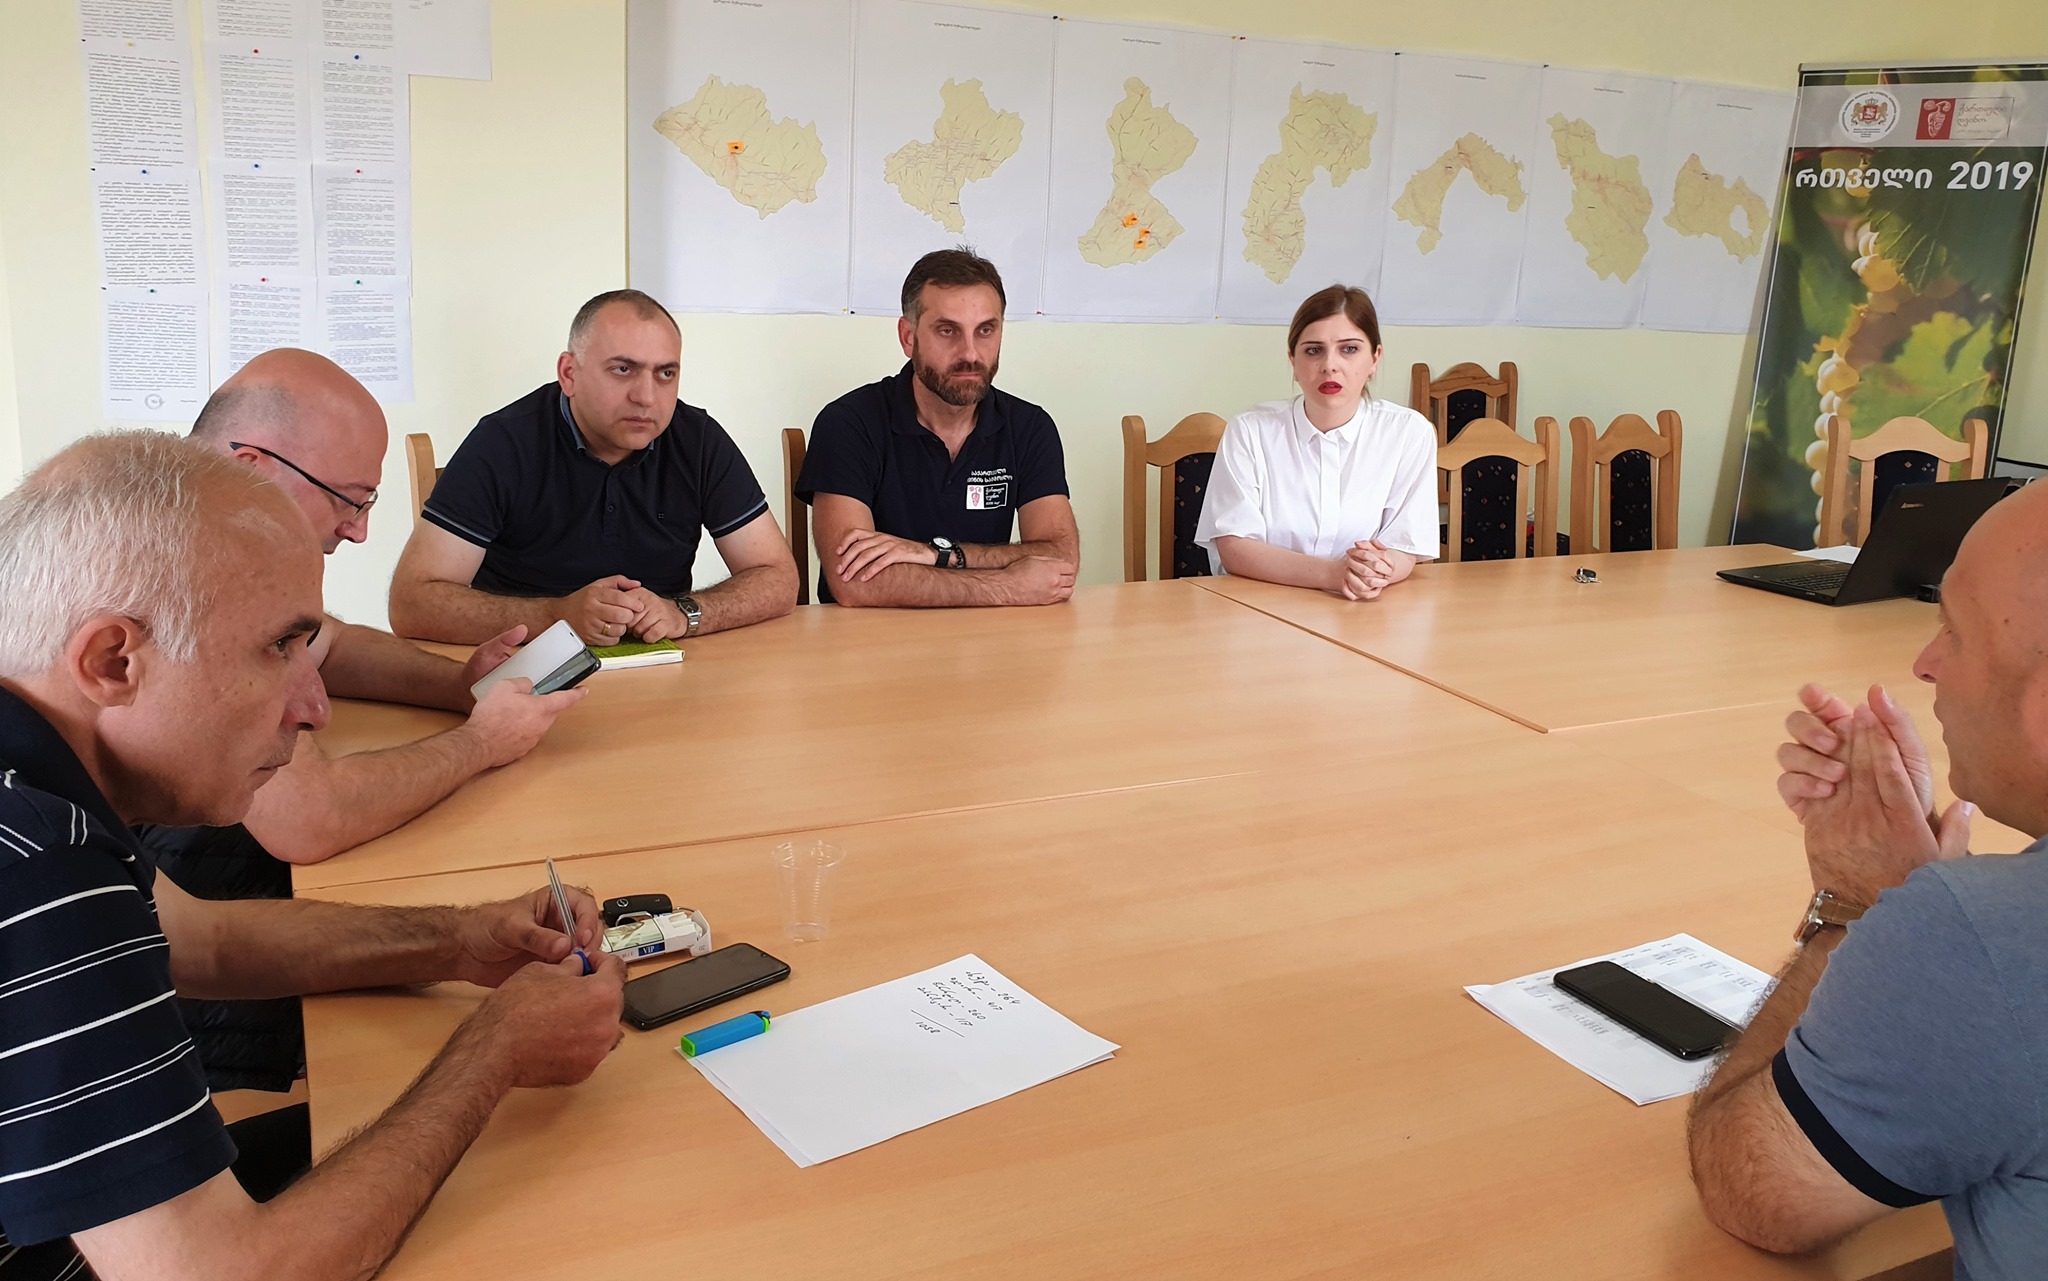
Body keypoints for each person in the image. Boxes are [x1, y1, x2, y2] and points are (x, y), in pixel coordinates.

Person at [0, 432, 625, 1281]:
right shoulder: (43, 868)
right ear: (112, 661)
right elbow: (219, 1274)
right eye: (278, 648)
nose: (315, 707)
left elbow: (200, 941)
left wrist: (458, 939)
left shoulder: (37, 774)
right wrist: (496, 1049)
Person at [143, 349, 582, 1095]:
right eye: (348, 500)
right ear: (251, 466)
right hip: (204, 1015)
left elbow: (330, 641)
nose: (359, 531)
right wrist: (481, 741)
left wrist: (458, 686)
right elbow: (309, 819)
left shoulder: (192, 520)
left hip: (199, 933)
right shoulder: (184, 581)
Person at [1688, 478, 2047, 1280]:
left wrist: (1858, 906)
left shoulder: (1983, 944)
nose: (1925, 663)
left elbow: (1756, 1189)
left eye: (1952, 631)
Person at [389, 289, 797, 645]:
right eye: (623, 369)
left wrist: (685, 613)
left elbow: (778, 578)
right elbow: (411, 603)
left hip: (661, 668)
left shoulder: (698, 440)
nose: (646, 397)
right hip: (524, 668)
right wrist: (554, 617)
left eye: (665, 373)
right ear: (569, 374)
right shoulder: (504, 442)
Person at [797, 248, 1078, 607]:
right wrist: (1007, 586)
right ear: (908, 337)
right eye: (948, 330)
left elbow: (1060, 560)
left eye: (985, 330)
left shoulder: (1030, 426)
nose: (970, 354)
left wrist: (938, 554)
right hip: (870, 637)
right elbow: (854, 582)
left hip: (991, 635)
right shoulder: (848, 423)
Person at [1194, 284, 1436, 599]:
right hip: (1261, 604)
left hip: (1363, 608)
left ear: (1375, 358)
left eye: (1349, 349)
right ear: (1293, 361)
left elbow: (1406, 546)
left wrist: (1375, 570)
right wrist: (1333, 574)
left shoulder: (1408, 432)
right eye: (1313, 350)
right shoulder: (1250, 431)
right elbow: (1234, 547)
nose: (1329, 365)